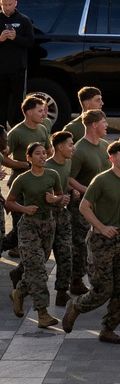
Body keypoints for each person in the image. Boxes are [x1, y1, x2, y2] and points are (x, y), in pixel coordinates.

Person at [63, 141, 120, 343]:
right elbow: (84, 207)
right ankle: (76, 306)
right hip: (99, 240)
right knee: (103, 289)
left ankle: (108, 329)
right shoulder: (102, 181)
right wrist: (101, 227)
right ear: (112, 159)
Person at [5, 140, 63, 328]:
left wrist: (56, 199)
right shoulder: (23, 179)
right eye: (37, 154)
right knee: (38, 271)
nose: (43, 156)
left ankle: (19, 292)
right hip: (29, 226)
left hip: (48, 225)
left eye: (44, 153)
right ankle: (43, 314)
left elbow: (61, 198)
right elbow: (9, 202)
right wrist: (24, 208)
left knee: (37, 266)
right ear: (29, 158)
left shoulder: (53, 175)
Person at [67, 109, 110, 294]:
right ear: (94, 125)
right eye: (104, 122)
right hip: (83, 207)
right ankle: (76, 279)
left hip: (103, 205)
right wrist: (90, 191)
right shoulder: (79, 150)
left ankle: (101, 279)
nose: (107, 125)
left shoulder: (104, 146)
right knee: (81, 244)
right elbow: (69, 178)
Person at [47, 130, 75, 308]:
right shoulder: (48, 167)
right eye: (70, 144)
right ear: (59, 147)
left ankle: (62, 292)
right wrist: (58, 198)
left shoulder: (68, 163)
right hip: (46, 216)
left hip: (62, 215)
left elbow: (68, 181)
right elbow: (42, 193)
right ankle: (20, 279)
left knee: (66, 253)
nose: (73, 148)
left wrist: (73, 191)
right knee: (40, 256)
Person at [0, 0, 34, 129]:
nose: (7, 8)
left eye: (10, 4)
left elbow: (31, 42)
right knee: (1, 101)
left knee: (18, 100)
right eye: (4, 5)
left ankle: (17, 128)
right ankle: (1, 129)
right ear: (1, 4)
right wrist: (0, 39)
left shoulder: (24, 20)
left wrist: (16, 38)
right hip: (1, 70)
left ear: (15, 3)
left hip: (18, 69)